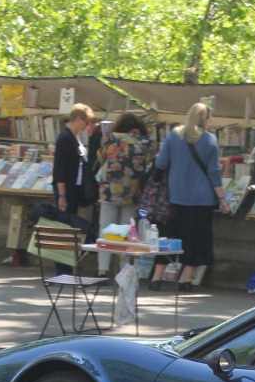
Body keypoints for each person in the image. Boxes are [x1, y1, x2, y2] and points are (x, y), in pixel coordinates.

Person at [152, 102, 225, 291]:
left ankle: (156, 278)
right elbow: (213, 172)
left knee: (168, 238)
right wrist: (222, 198)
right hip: (202, 200)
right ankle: (186, 281)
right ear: (205, 119)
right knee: (195, 239)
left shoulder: (173, 136)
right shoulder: (210, 141)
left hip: (176, 197)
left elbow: (160, 163)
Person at [95, 112, 155, 276]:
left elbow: (101, 157)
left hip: (109, 192)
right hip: (132, 192)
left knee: (105, 231)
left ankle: (102, 270)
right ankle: (124, 270)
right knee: (128, 233)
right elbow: (150, 161)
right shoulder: (147, 142)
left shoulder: (112, 139)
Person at [52, 103, 94, 216]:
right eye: (86, 122)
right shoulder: (65, 138)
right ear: (78, 119)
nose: (87, 126)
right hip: (67, 189)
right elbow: (59, 169)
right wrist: (62, 195)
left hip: (75, 187)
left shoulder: (75, 138)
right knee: (66, 220)